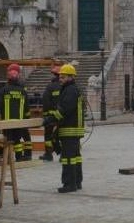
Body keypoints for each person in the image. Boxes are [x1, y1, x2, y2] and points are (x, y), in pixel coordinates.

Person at [44, 63, 84, 193]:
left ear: (70, 77)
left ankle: (69, 184)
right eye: (60, 77)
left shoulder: (70, 90)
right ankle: (77, 182)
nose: (60, 79)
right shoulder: (71, 89)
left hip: (69, 129)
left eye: (63, 77)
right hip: (73, 129)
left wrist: (49, 119)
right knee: (76, 157)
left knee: (68, 158)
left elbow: (64, 110)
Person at [0, 63, 31, 161]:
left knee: (8, 139)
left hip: (7, 122)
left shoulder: (3, 90)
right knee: (17, 140)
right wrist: (26, 120)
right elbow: (26, 108)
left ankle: (7, 157)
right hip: (19, 122)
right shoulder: (23, 91)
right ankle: (19, 156)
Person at [38, 64, 63, 162]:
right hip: (62, 117)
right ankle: (62, 154)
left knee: (48, 136)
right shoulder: (65, 87)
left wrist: (46, 116)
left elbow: (46, 101)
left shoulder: (50, 87)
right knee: (60, 136)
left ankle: (48, 154)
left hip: (51, 117)